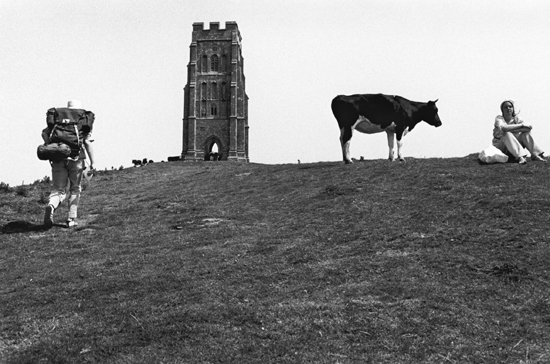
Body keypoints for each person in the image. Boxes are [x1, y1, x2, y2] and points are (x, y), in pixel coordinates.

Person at [42, 100, 95, 228]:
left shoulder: (58, 119)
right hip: (77, 159)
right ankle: (71, 219)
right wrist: (93, 162)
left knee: (58, 189)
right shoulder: (82, 120)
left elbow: (44, 133)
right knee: (75, 189)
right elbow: (87, 142)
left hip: (58, 158)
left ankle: (51, 206)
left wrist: (52, 146)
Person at [492, 99, 546, 164]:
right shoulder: (499, 118)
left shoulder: (517, 119)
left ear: (513, 109)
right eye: (505, 107)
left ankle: (535, 155)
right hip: (500, 148)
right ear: (502, 110)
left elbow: (528, 128)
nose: (508, 108)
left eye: (510, 106)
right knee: (506, 134)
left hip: (514, 147)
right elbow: (504, 128)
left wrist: (514, 129)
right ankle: (520, 157)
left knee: (525, 134)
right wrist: (521, 125)